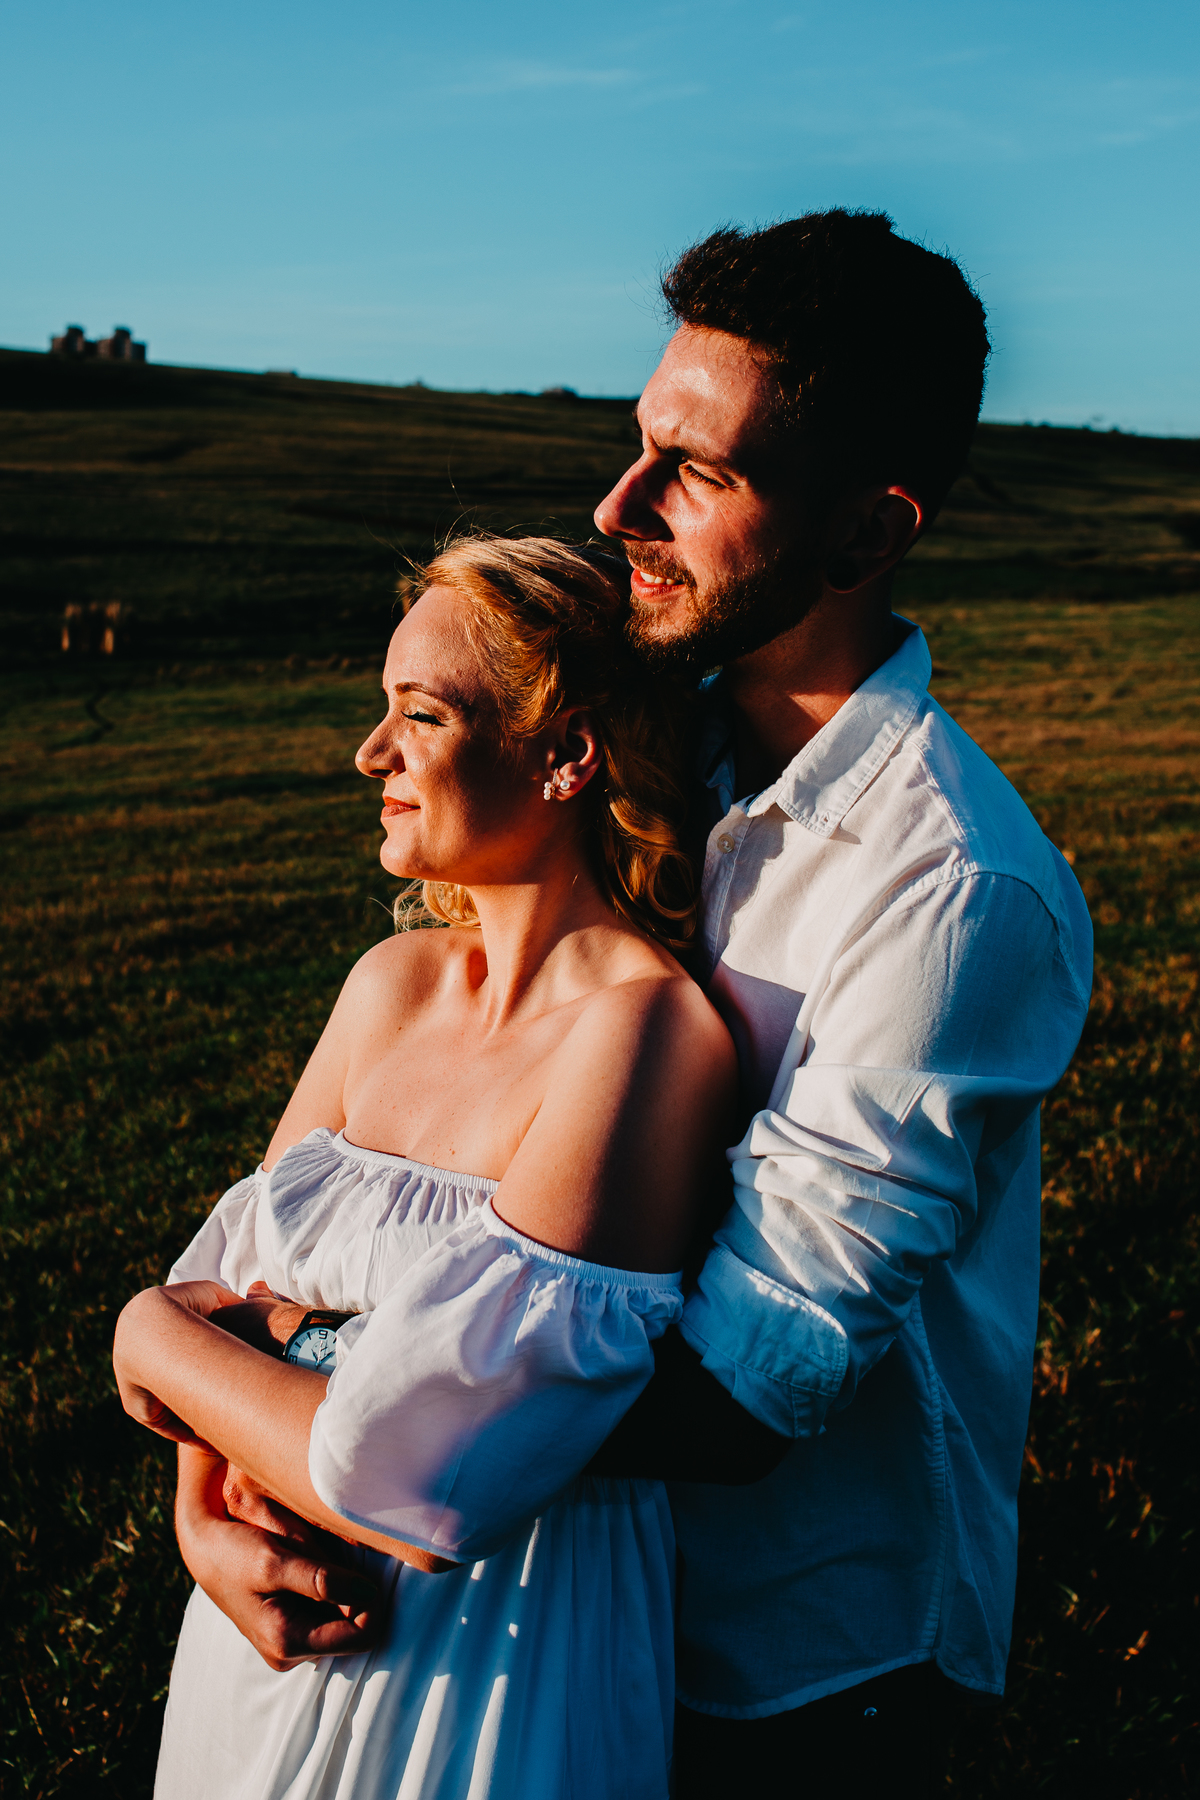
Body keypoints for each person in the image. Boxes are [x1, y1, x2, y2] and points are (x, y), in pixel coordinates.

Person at [166, 211, 1094, 1797]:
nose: (618, 509)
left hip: (797, 1667)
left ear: (868, 536)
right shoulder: (625, 738)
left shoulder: (953, 893)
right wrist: (218, 1477)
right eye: (639, 442)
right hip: (490, 1603)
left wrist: (258, 1400)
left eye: (700, 474)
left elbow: (753, 1388)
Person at [112, 535, 738, 1800]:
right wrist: (199, 1523)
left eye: (421, 716)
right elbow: (224, 1282)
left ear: (564, 755)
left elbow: (417, 1472)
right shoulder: (387, 985)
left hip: (488, 1665)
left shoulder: (646, 1034)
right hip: (262, 1630)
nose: (371, 756)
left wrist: (140, 1332)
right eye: (378, 714)